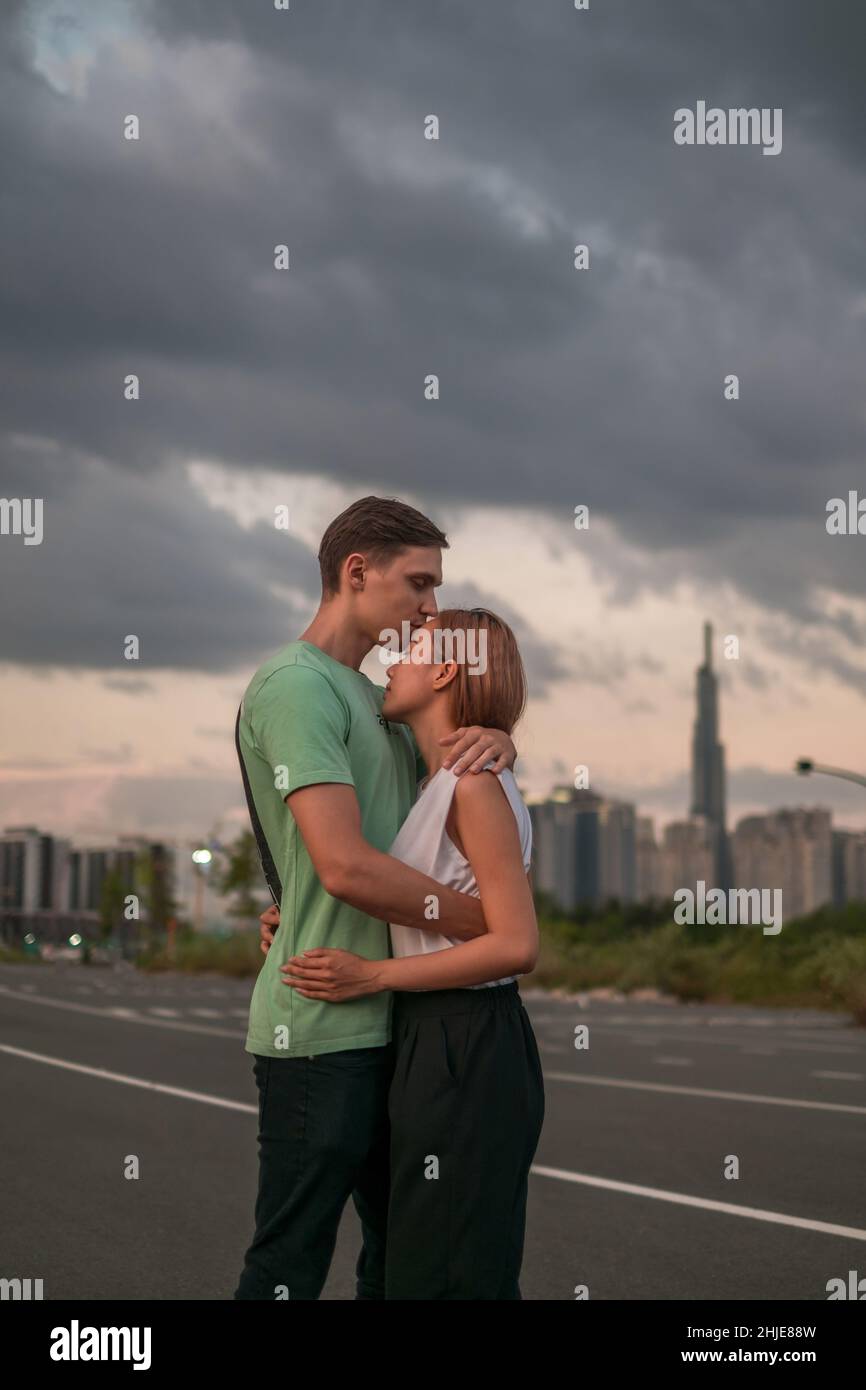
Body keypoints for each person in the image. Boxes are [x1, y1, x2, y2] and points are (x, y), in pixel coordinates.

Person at [233, 496, 517, 1301]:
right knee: (289, 1262)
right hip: (322, 1027)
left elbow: (425, 809)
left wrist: (499, 735)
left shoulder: (378, 698)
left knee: (403, 1261)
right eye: (418, 584)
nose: (431, 607)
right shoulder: (298, 687)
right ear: (357, 572)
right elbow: (347, 867)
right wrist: (486, 926)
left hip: (400, 1027)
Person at [279, 608, 545, 1300]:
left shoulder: (474, 786)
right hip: (433, 1033)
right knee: (427, 1260)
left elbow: (516, 944)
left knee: (452, 1269)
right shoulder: (440, 780)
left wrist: (374, 975)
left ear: (447, 671)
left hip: (467, 1038)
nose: (391, 661)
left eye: (411, 651)